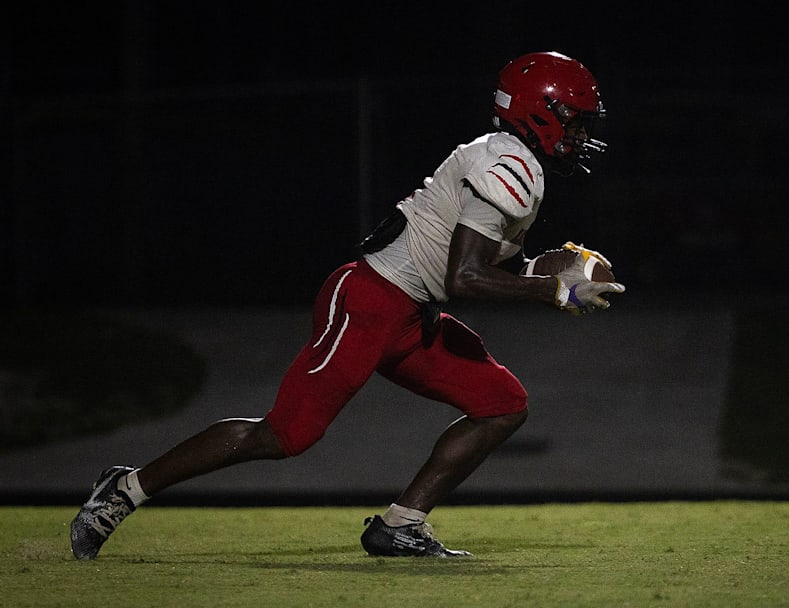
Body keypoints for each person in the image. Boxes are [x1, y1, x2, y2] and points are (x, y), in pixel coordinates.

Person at [70, 50, 625, 560]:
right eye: (574, 119)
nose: (580, 133)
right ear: (540, 112)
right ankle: (126, 487)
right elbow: (466, 276)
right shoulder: (508, 164)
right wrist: (552, 289)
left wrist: (541, 271)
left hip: (412, 313)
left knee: (502, 404)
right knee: (285, 435)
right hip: (369, 300)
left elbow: (480, 266)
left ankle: (401, 525)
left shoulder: (511, 160)